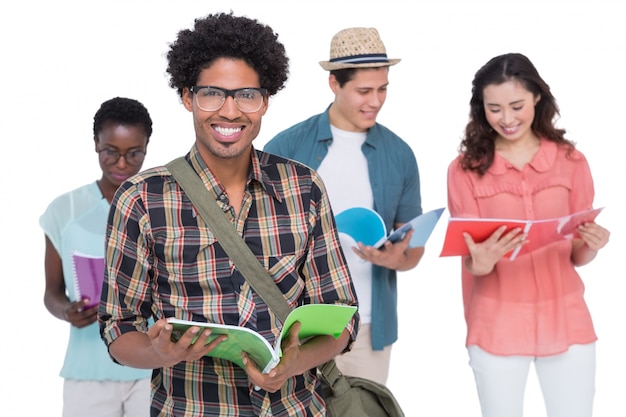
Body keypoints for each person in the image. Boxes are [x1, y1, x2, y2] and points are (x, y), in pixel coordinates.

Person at [98, 12, 359, 417]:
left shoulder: (304, 188)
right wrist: (157, 351)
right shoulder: (141, 198)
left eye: (246, 95)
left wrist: (293, 364)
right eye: (212, 94)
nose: (231, 111)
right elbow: (118, 326)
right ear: (187, 97)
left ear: (265, 101)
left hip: (293, 408)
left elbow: (341, 318)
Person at [447, 52, 610, 417]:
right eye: (494, 109)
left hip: (567, 319)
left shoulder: (572, 161)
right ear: (481, 109)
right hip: (496, 323)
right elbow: (472, 261)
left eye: (517, 105)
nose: (507, 119)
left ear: (537, 97)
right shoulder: (464, 171)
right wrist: (482, 260)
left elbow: (577, 254)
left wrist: (592, 245)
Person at [264, 27, 423, 385]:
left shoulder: (399, 154)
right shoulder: (287, 146)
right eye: (364, 91)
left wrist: (395, 258)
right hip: (296, 325)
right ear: (334, 84)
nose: (376, 101)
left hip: (368, 327)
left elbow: (413, 249)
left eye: (383, 89)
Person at [40, 97, 153, 417]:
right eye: (110, 152)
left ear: (146, 147)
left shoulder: (161, 206)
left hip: (151, 366)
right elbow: (51, 292)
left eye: (134, 153)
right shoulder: (65, 210)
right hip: (87, 369)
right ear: (95, 145)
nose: (121, 164)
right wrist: (66, 311)